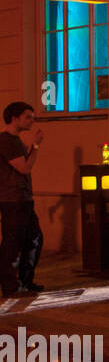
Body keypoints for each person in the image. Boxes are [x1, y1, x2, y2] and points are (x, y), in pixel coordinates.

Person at [0, 102, 44, 297]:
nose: (32, 120)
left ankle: (24, 281)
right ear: (14, 118)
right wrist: (36, 146)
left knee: (33, 238)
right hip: (13, 199)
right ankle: (11, 286)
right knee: (13, 242)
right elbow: (24, 168)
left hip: (22, 198)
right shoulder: (7, 141)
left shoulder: (14, 140)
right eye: (28, 117)